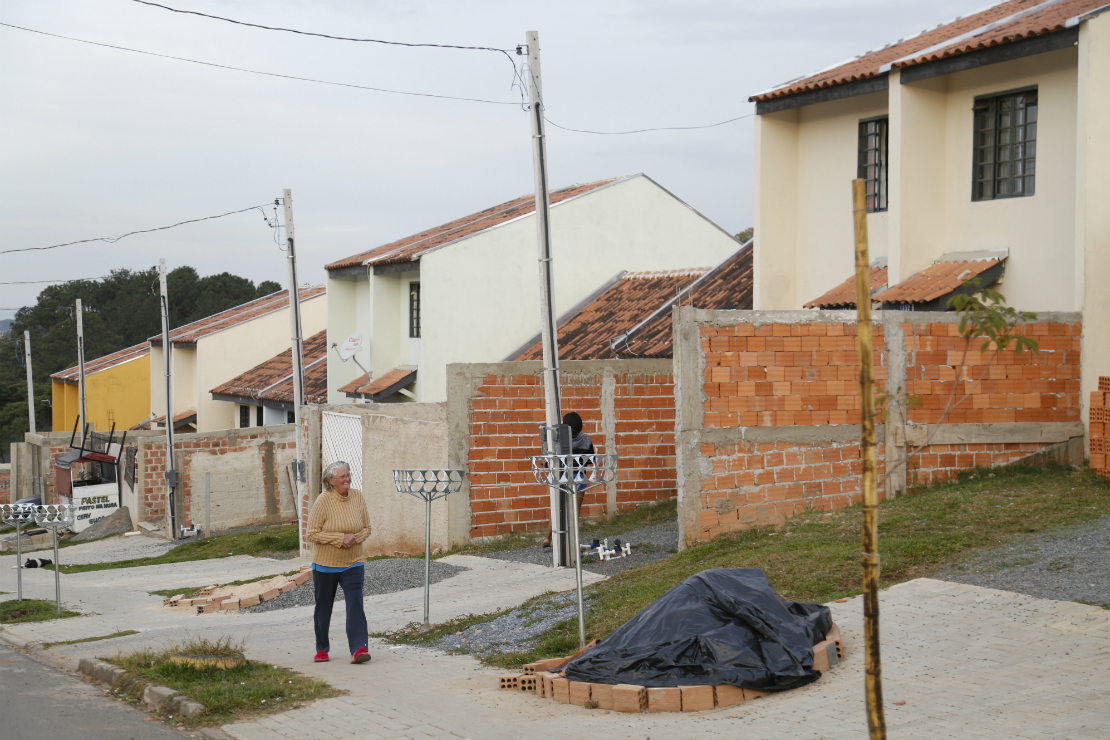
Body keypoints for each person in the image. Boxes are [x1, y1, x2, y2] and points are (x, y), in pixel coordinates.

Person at [306, 460, 372, 664]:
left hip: (353, 562)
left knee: (355, 604)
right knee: (324, 606)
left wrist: (353, 539)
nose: (347, 479)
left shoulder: (357, 496)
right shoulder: (323, 501)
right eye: (342, 476)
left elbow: (367, 528)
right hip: (325, 565)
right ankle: (322, 649)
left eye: (348, 474)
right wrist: (339, 539)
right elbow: (312, 533)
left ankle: (359, 649)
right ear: (331, 481)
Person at [542, 411, 595, 549]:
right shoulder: (586, 439)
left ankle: (547, 538)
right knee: (575, 510)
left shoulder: (559, 440)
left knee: (557, 508)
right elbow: (591, 460)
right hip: (579, 477)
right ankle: (573, 540)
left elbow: (553, 460)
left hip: (562, 476)